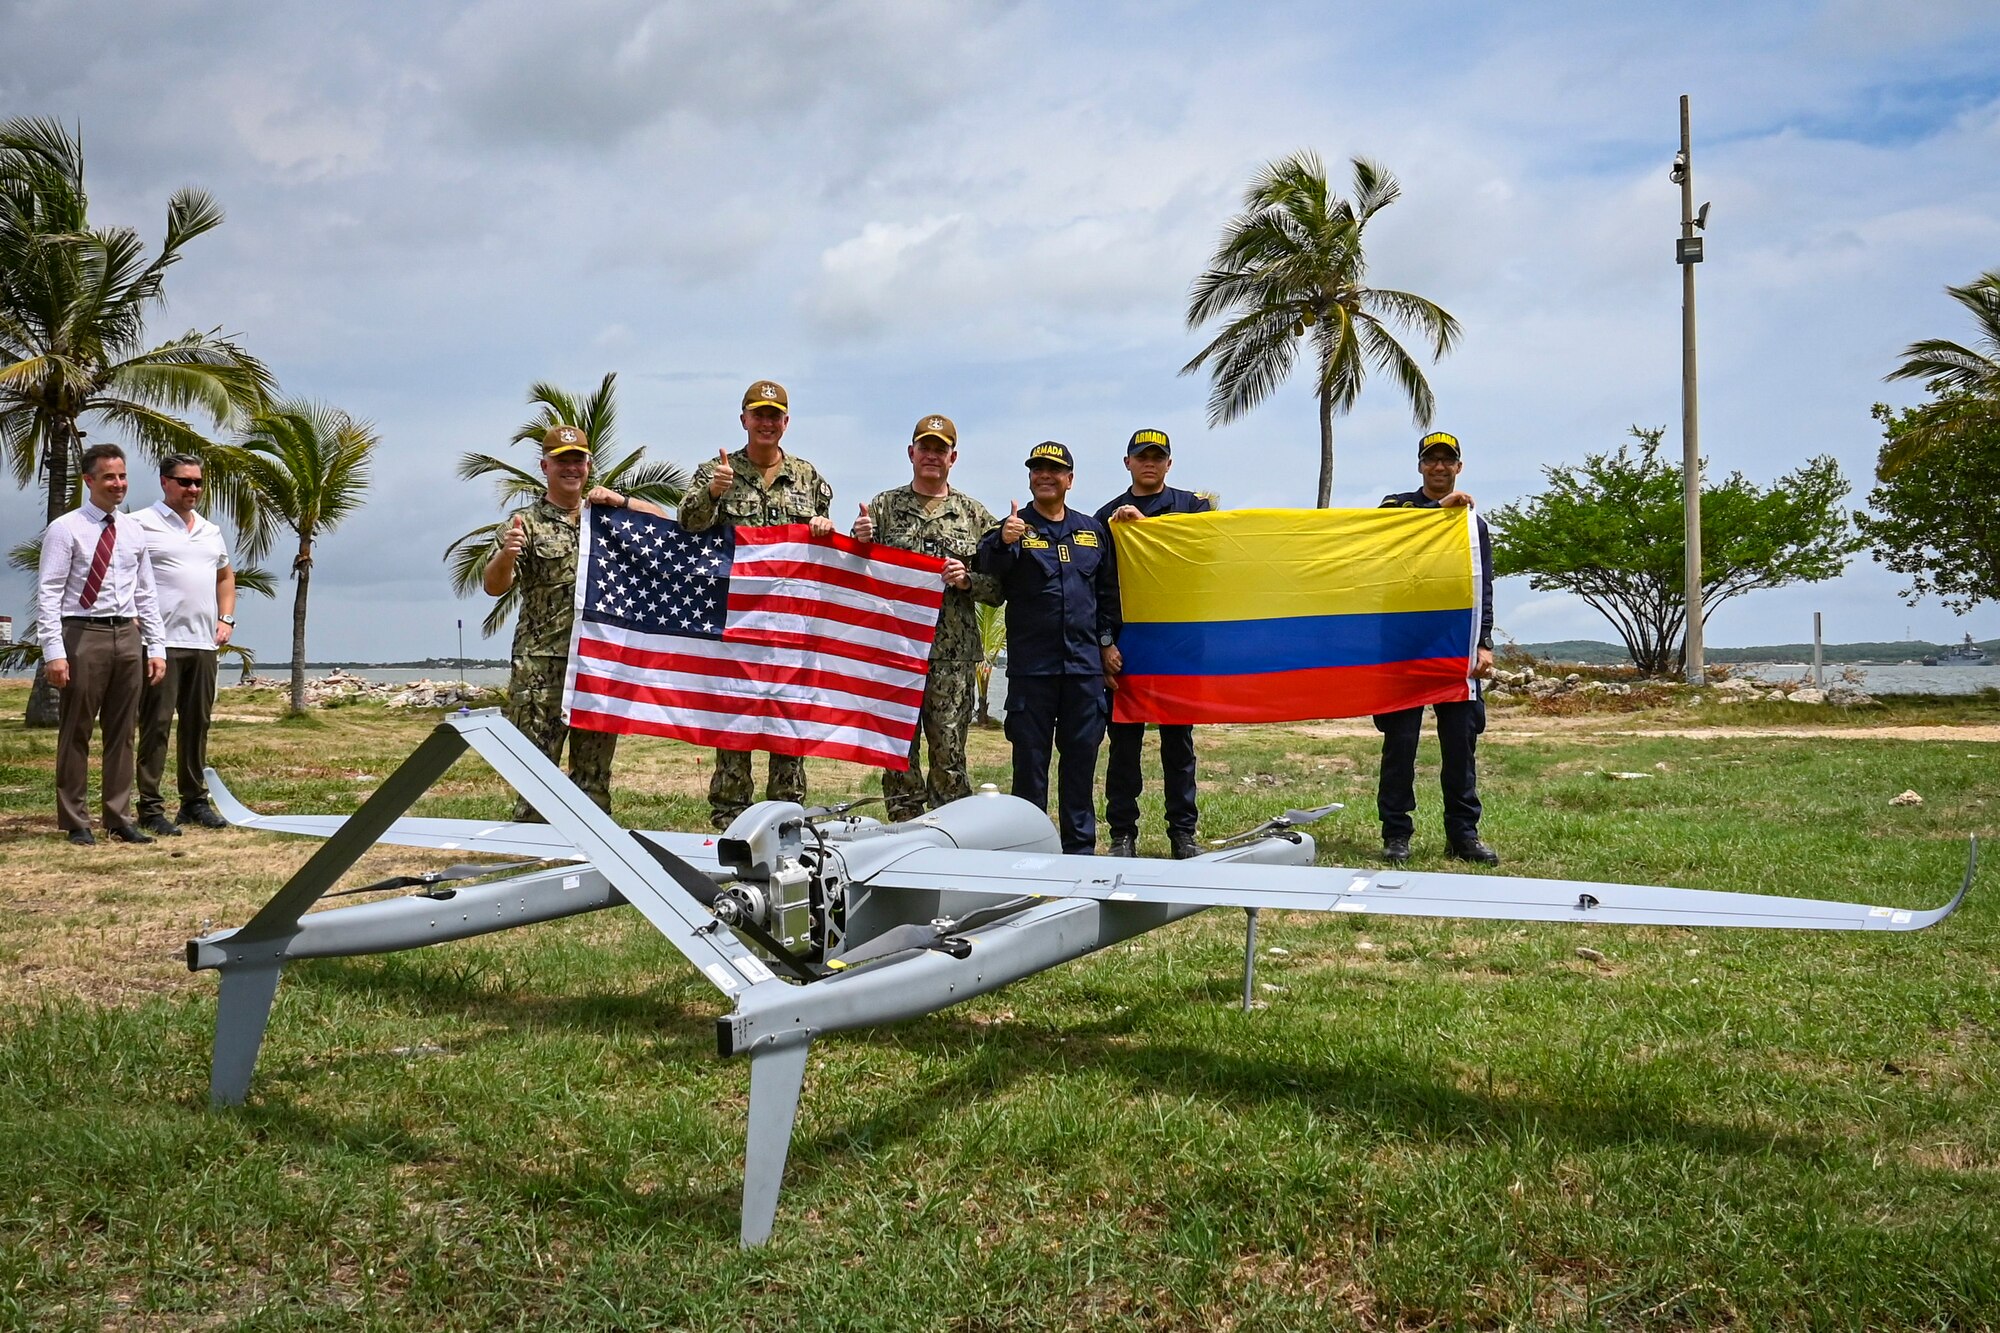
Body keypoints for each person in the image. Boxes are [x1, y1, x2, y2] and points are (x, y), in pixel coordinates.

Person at [484, 424, 667, 821]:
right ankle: (534, 850)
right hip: (542, 665)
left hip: (598, 663)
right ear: (544, 466)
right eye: (562, 461)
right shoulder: (526, 523)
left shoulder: (606, 518)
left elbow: (662, 523)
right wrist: (508, 555)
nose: (571, 468)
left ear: (588, 465)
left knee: (594, 773)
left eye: (578, 461)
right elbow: (493, 587)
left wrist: (620, 499)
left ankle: (592, 851)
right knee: (536, 769)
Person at [680, 380, 836, 829]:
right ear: (743, 419)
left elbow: (821, 553)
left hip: (791, 629)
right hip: (737, 624)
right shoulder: (715, 471)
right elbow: (687, 527)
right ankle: (729, 820)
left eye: (775, 415)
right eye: (758, 414)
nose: (766, 422)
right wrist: (713, 493)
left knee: (788, 729)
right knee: (734, 727)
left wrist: (824, 526)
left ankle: (787, 822)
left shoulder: (810, 479)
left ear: (786, 423)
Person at [851, 414, 1004, 822]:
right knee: (897, 752)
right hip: (895, 651)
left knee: (949, 753)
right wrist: (860, 543)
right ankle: (902, 833)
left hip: (951, 656)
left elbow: (1001, 585)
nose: (932, 455)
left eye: (941, 449)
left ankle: (950, 835)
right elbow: (856, 575)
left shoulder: (974, 515)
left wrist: (968, 580)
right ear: (911, 453)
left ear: (953, 457)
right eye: (925, 447)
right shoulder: (883, 508)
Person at [976, 441, 1119, 854]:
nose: (1045, 475)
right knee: (1030, 770)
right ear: (1030, 478)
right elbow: (987, 567)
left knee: (1079, 767)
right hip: (1032, 673)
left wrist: (1107, 644)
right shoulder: (1014, 528)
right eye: (1037, 469)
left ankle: (1080, 853)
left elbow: (1108, 596)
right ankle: (1029, 851)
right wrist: (1004, 540)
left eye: (1054, 470)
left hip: (1082, 671)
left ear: (1069, 480)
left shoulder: (1093, 531)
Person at [1373, 430, 1498, 865]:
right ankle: (1396, 834)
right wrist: (1437, 512)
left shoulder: (1473, 525)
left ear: (1459, 467)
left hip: (1455, 648)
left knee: (1460, 746)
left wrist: (1483, 643)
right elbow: (1387, 536)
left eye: (1448, 461)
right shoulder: (1396, 507)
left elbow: (1484, 587)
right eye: (1432, 460)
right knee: (1400, 745)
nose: (1439, 467)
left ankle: (1463, 835)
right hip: (1402, 649)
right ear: (1420, 465)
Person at [35, 443, 167, 845]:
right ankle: (76, 820)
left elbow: (146, 593)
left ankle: (118, 817)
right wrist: (54, 652)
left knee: (123, 730)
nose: (118, 484)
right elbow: (49, 592)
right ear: (89, 481)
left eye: (123, 476)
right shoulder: (66, 528)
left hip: (126, 634)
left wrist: (155, 646)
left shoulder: (132, 530)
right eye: (109, 476)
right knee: (76, 730)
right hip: (82, 632)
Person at [1094, 428, 1212, 860]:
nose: (1150, 462)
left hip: (1179, 647)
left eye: (1157, 456)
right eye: (1141, 456)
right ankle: (1122, 833)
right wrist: (1105, 643)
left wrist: (1151, 532)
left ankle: (1183, 833)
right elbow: (1102, 590)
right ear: (1127, 463)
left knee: (1178, 746)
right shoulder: (1104, 518)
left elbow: (1201, 559)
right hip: (1127, 648)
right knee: (1124, 747)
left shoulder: (1192, 509)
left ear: (1169, 463)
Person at [131, 454, 237, 835]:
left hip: (203, 645)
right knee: (156, 725)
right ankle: (150, 806)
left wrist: (226, 619)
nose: (192, 489)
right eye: (184, 481)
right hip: (159, 645)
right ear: (165, 482)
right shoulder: (139, 524)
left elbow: (225, 576)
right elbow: (121, 574)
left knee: (197, 724)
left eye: (197, 482)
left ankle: (193, 802)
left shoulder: (210, 530)